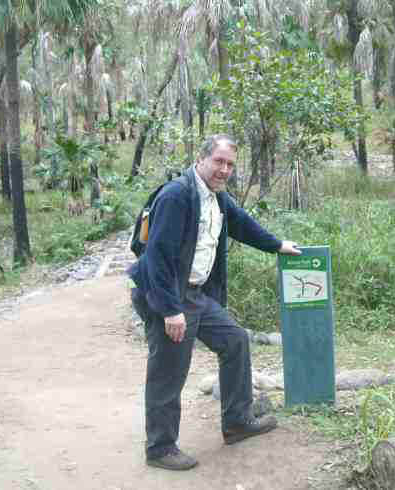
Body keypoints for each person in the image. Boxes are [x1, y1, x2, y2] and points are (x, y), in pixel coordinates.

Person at [127, 134, 301, 471]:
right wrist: (170, 311)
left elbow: (242, 225)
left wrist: (278, 245)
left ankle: (237, 422)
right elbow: (157, 258)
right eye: (219, 161)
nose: (224, 169)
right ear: (202, 159)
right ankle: (160, 447)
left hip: (193, 294)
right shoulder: (178, 196)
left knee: (234, 340)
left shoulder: (217, 197)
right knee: (169, 369)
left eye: (230, 164)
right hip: (167, 295)